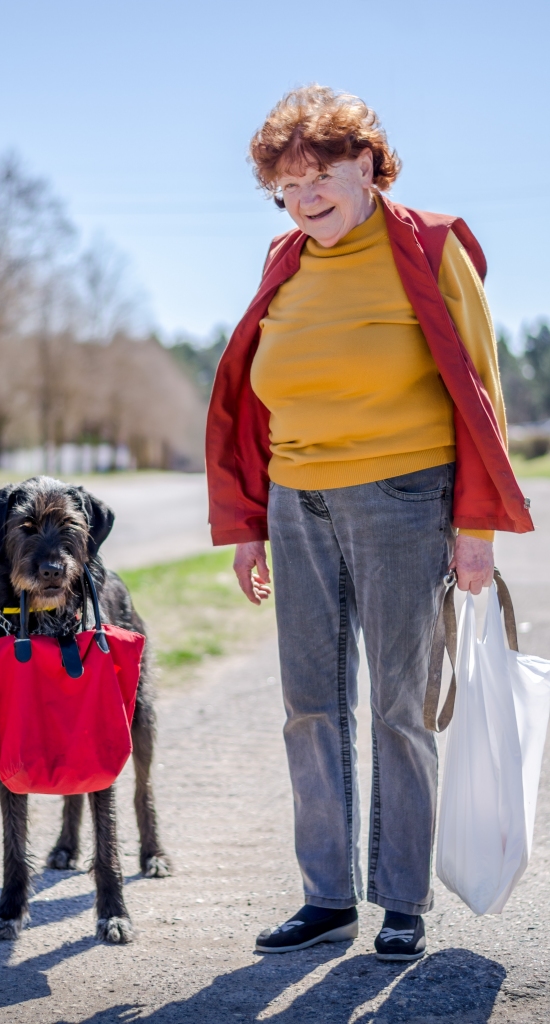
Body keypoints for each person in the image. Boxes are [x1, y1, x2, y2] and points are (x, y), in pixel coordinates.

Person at [206, 86, 532, 961]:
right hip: (295, 499)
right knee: (309, 706)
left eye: (319, 176)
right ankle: (326, 899)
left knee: (397, 703)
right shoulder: (284, 257)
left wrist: (477, 525)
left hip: (402, 496)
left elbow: (480, 386)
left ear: (365, 165)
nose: (305, 197)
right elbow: (249, 397)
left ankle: (400, 902)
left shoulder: (429, 245)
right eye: (286, 184)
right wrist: (248, 525)